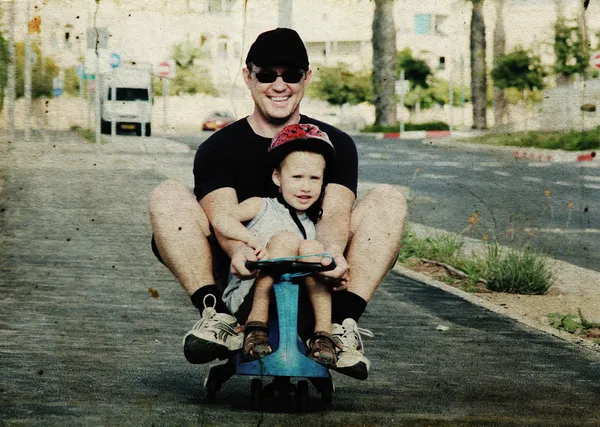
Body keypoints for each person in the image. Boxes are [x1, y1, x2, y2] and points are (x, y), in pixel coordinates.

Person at [149, 28, 407, 380]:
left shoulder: (336, 144)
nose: (279, 85)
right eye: (267, 75)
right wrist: (241, 250)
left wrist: (331, 254)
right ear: (248, 76)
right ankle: (218, 319)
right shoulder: (219, 147)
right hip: (242, 275)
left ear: (307, 77)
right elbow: (221, 214)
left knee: (389, 200)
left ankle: (338, 328)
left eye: (292, 75)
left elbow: (335, 212)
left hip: (316, 273)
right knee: (167, 194)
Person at [211, 123, 338, 368]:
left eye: (314, 178)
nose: (306, 186)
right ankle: (255, 326)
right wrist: (249, 240)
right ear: (277, 177)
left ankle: (323, 335)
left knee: (313, 249)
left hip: (294, 307)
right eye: (297, 177)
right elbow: (221, 219)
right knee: (286, 240)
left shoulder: (312, 223)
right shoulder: (262, 206)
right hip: (248, 303)